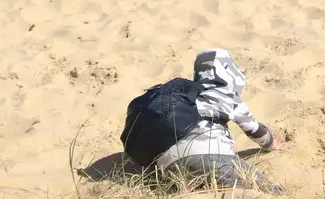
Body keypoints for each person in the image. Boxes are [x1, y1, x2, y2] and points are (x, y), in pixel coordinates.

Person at [121, 49, 283, 189]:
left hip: (169, 167)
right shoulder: (225, 95)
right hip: (211, 157)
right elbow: (254, 130)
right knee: (262, 188)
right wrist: (271, 144)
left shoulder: (187, 95)